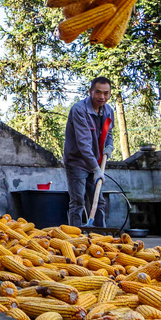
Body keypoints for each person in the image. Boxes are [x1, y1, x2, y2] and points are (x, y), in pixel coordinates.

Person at [63, 76, 115, 228]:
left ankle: (100, 236)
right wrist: (96, 169)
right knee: (78, 201)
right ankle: (76, 236)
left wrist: (109, 146)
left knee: (98, 201)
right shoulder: (79, 110)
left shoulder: (108, 111)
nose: (102, 97)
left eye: (106, 93)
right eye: (98, 92)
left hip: (96, 162)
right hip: (77, 162)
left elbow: (109, 133)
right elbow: (83, 144)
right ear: (90, 91)